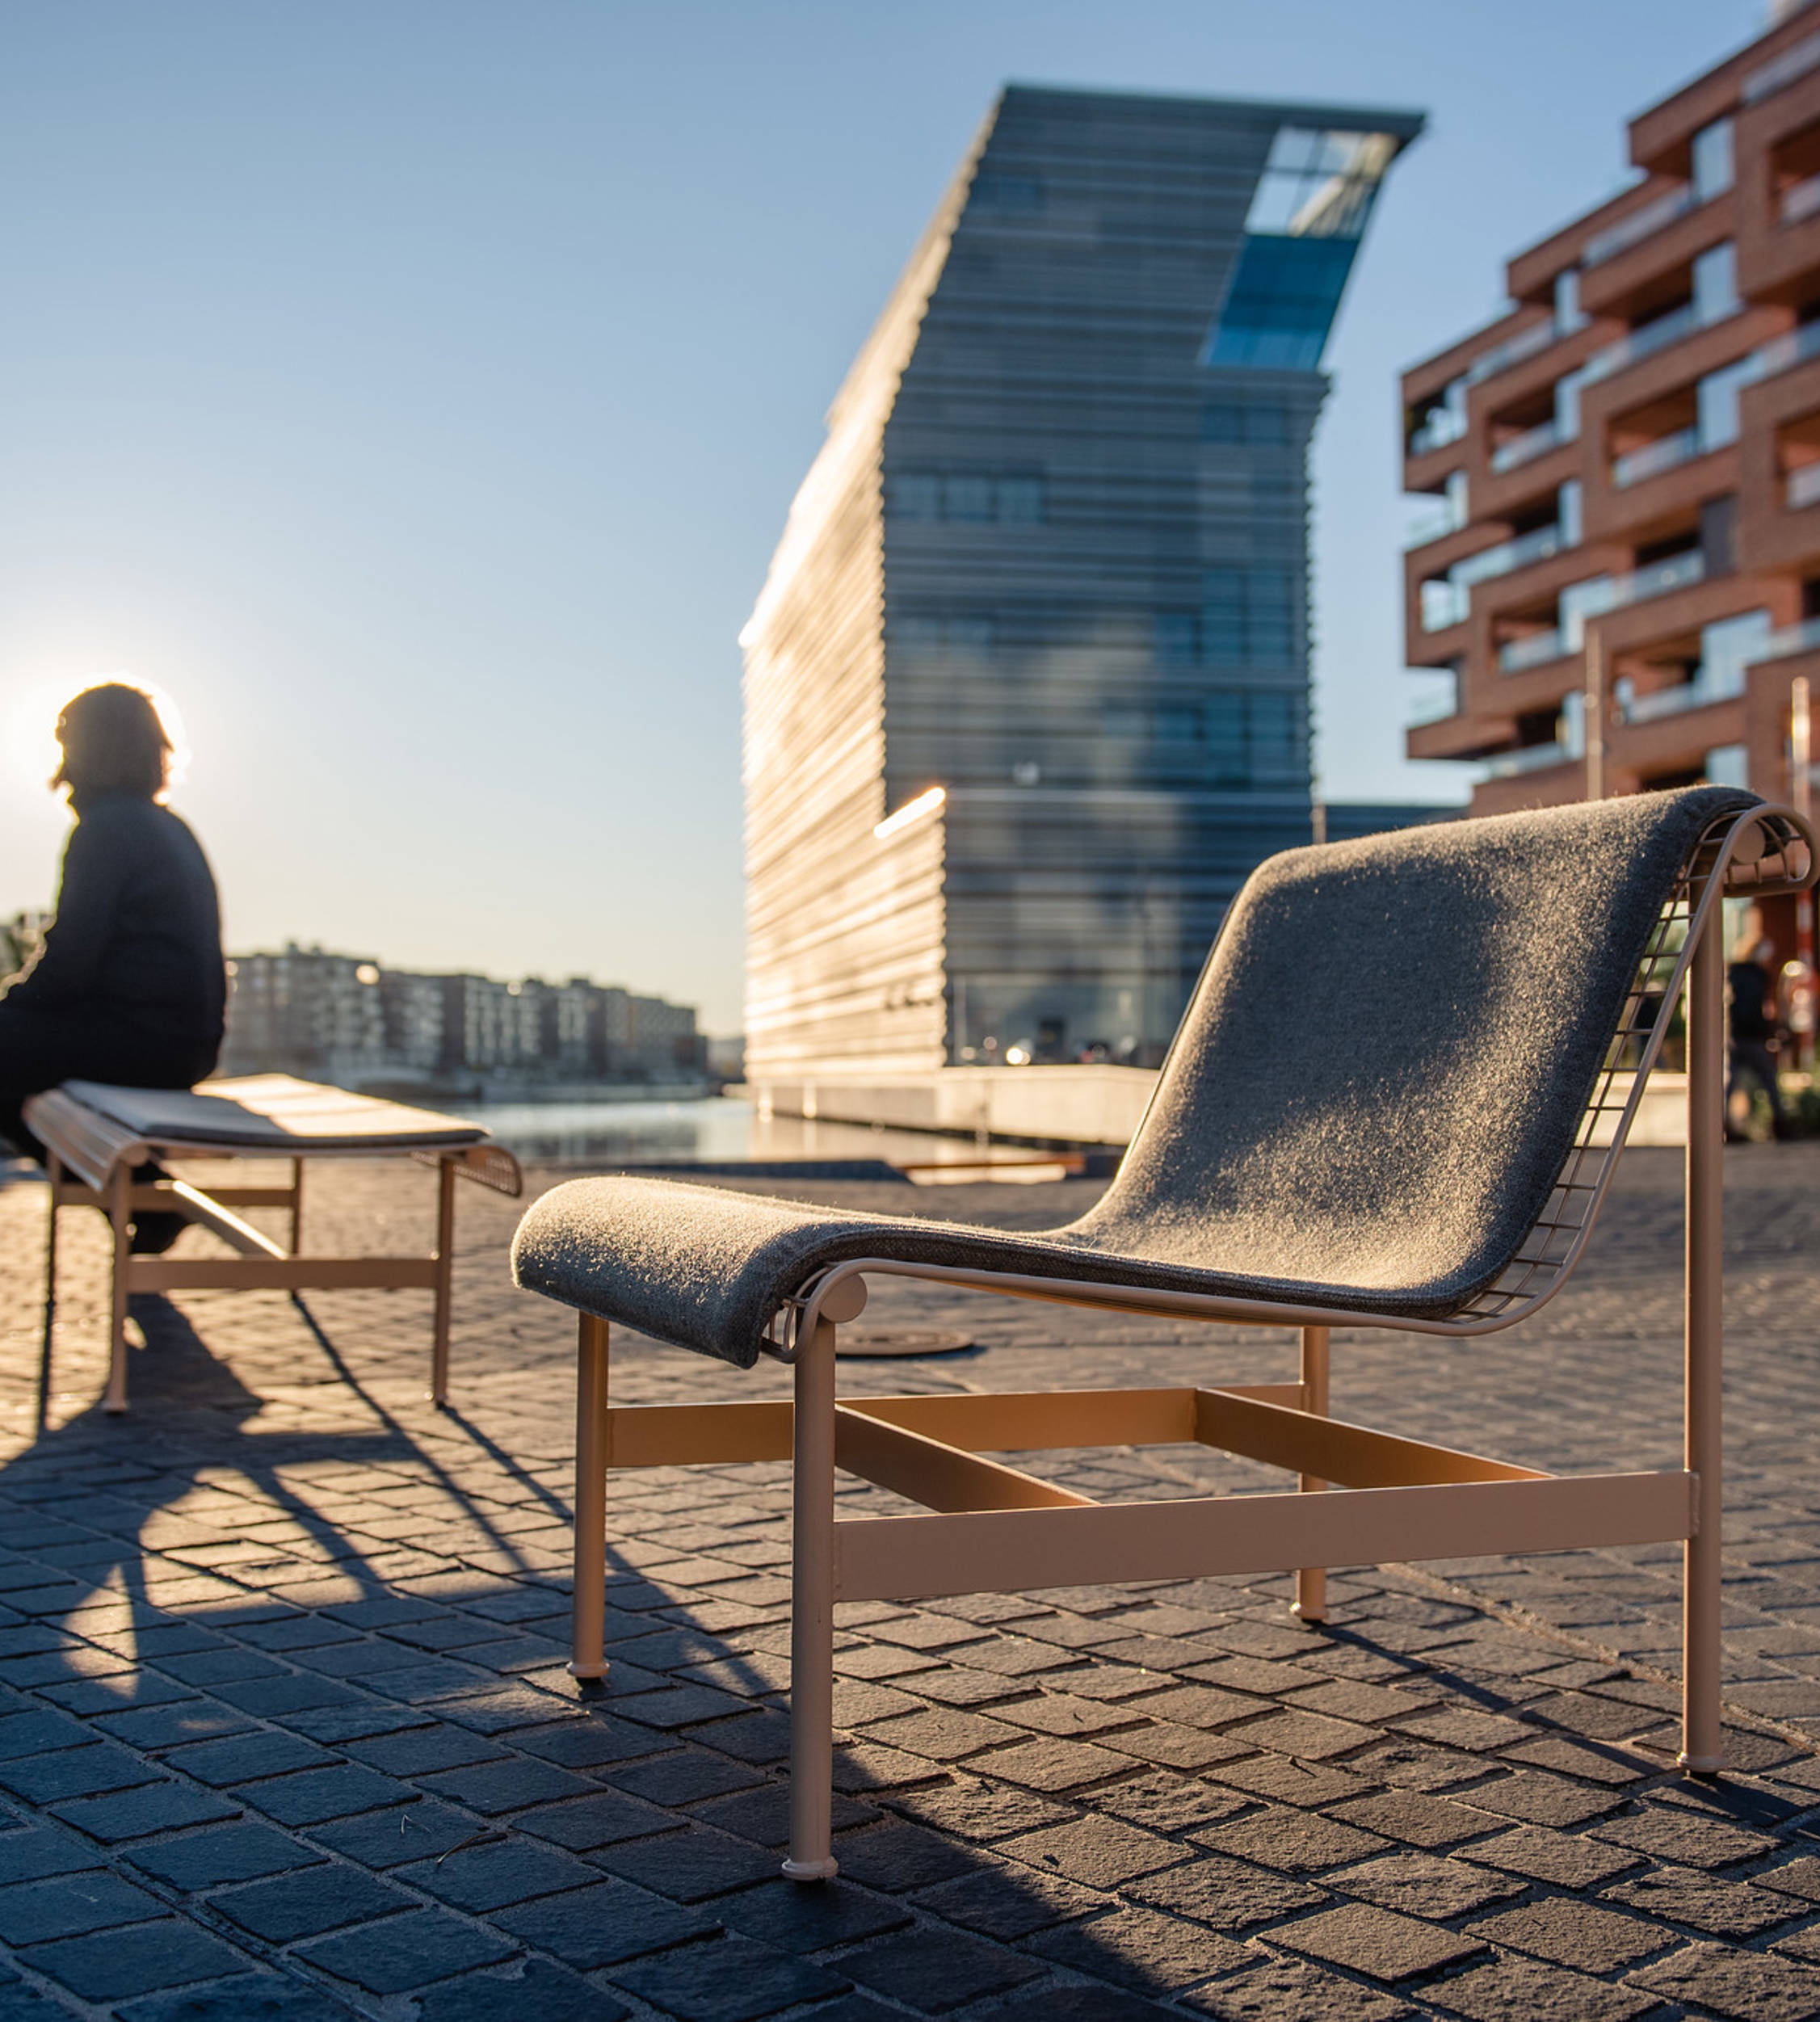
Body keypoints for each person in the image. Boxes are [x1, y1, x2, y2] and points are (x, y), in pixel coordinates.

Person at [0, 683, 225, 1248]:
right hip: (184, 1042)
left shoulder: (104, 830)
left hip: (140, 1042)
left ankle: (141, 1199)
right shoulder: (167, 826)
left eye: (67, 741)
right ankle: (144, 1198)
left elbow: (69, 965)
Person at [1726, 931, 1793, 1142]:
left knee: (1731, 1083)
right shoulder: (1755, 976)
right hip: (1750, 1036)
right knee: (1768, 1079)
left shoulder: (1734, 973)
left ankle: (1725, 1125)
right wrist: (1765, 1028)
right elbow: (1754, 1008)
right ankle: (1780, 1125)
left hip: (1733, 1035)